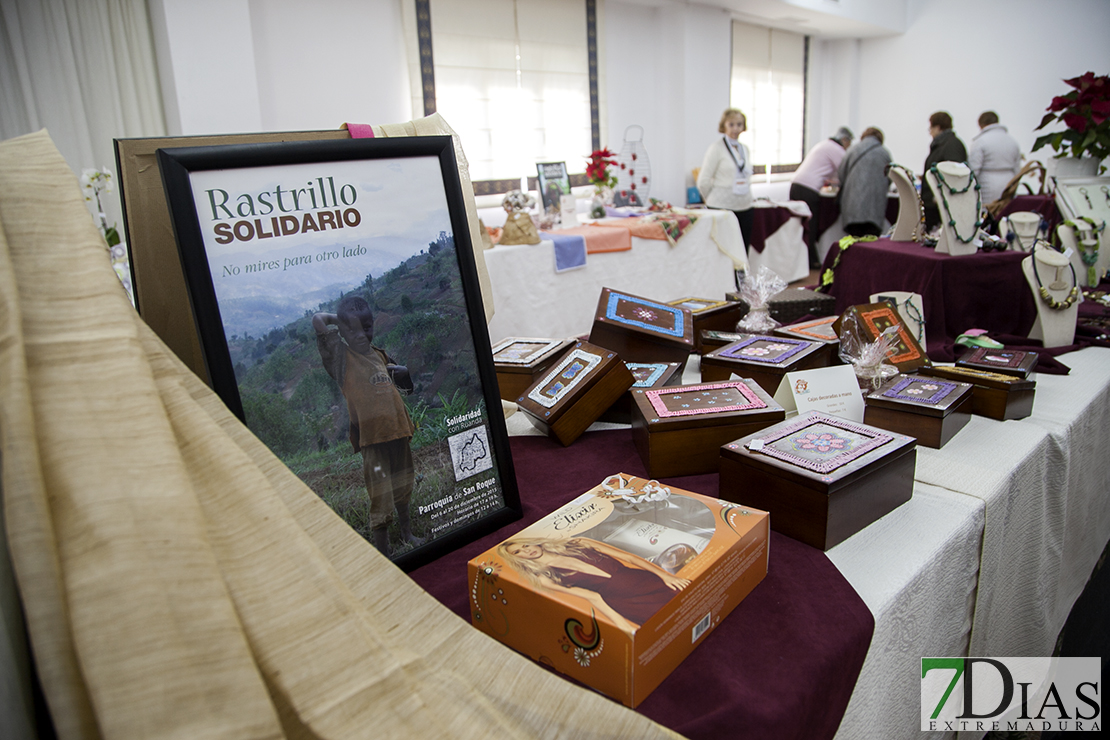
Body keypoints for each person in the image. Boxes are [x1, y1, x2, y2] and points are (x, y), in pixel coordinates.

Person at [313, 295, 423, 557]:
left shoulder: (381, 355)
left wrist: (405, 375)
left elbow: (405, 390)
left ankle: (407, 534)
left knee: (403, 485)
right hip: (372, 441)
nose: (361, 335)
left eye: (367, 327)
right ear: (342, 330)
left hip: (399, 433)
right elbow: (318, 320)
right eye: (352, 329)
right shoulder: (341, 359)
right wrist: (340, 321)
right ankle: (383, 552)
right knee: (381, 495)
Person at [498, 536, 691, 632]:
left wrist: (666, 576)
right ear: (517, 560)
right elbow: (593, 597)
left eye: (525, 545)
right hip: (627, 603)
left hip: (645, 581)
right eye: (518, 553)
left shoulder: (578, 543)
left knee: (688, 603)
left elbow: (627, 558)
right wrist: (623, 626)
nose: (526, 551)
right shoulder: (544, 578)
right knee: (668, 628)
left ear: (532, 543)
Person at [790, 126, 853, 265]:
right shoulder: (837, 149)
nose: (849, 147)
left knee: (800, 226)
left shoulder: (824, 145)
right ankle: (811, 262)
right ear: (844, 140)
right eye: (850, 143)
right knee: (810, 226)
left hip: (797, 185)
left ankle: (800, 261)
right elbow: (845, 172)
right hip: (808, 189)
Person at [698, 108, 755, 251]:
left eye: (739, 124)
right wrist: (714, 201)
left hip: (745, 206)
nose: (735, 128)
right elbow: (703, 181)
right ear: (724, 125)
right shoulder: (716, 148)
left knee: (742, 251)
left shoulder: (745, 149)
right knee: (723, 251)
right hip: (722, 208)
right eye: (731, 124)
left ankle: (741, 275)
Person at [836, 127, 893, 237]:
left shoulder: (852, 150)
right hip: (875, 209)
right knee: (871, 243)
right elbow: (890, 178)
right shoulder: (884, 153)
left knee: (853, 242)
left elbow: (841, 174)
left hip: (852, 206)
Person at [921, 111, 968, 231]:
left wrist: (941, 194)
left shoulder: (951, 145)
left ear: (937, 127)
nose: (930, 132)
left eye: (930, 128)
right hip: (934, 200)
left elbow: (954, 173)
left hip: (940, 203)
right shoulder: (943, 144)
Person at [969, 111, 1022, 206]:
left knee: (988, 212)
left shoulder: (980, 141)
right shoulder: (1012, 141)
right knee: (1005, 211)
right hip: (1009, 181)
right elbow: (1017, 168)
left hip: (987, 184)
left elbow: (974, 169)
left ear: (980, 125)